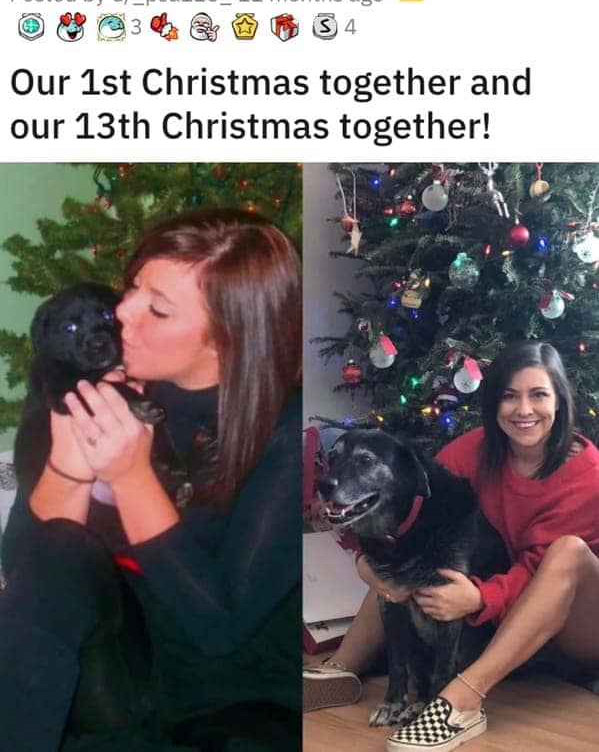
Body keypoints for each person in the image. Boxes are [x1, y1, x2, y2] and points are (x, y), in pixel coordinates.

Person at [0, 208, 302, 751]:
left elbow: (217, 631)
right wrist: (69, 463)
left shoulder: (286, 434)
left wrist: (131, 476)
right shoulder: (100, 385)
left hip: (238, 702)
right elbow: (30, 570)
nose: (121, 314)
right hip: (126, 676)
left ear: (226, 339)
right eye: (133, 287)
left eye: (157, 310)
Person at [304, 340, 599, 752]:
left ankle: (462, 701)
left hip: (574, 621)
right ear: (494, 403)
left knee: (567, 551)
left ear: (560, 401)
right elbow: (404, 505)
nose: (524, 410)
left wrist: (479, 597)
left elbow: (539, 571)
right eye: (509, 396)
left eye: (538, 395)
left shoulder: (586, 472)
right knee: (406, 559)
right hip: (500, 609)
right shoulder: (475, 449)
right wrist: (365, 564)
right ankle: (341, 668)